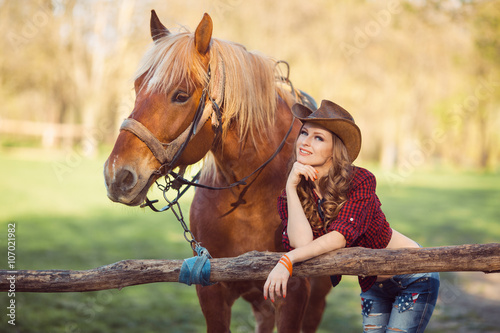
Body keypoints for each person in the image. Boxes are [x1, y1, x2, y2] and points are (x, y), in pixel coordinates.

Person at [263, 100, 440, 332]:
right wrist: (290, 188)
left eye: (318, 137)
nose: (305, 142)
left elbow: (339, 237)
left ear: (334, 149)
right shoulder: (294, 192)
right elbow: (303, 244)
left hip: (412, 276)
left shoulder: (360, 180)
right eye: (304, 133)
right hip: (372, 285)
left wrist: (286, 260)